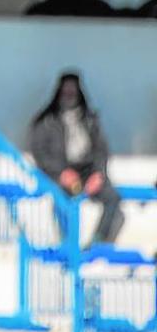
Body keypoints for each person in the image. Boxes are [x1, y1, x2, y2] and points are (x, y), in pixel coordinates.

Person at [29, 72, 123, 245]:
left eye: (73, 91)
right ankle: (68, 243)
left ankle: (98, 243)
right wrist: (61, 173)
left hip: (88, 171)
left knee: (113, 198)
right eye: (66, 91)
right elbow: (40, 153)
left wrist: (98, 174)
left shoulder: (90, 120)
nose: (69, 95)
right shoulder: (46, 121)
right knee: (61, 200)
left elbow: (101, 150)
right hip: (60, 172)